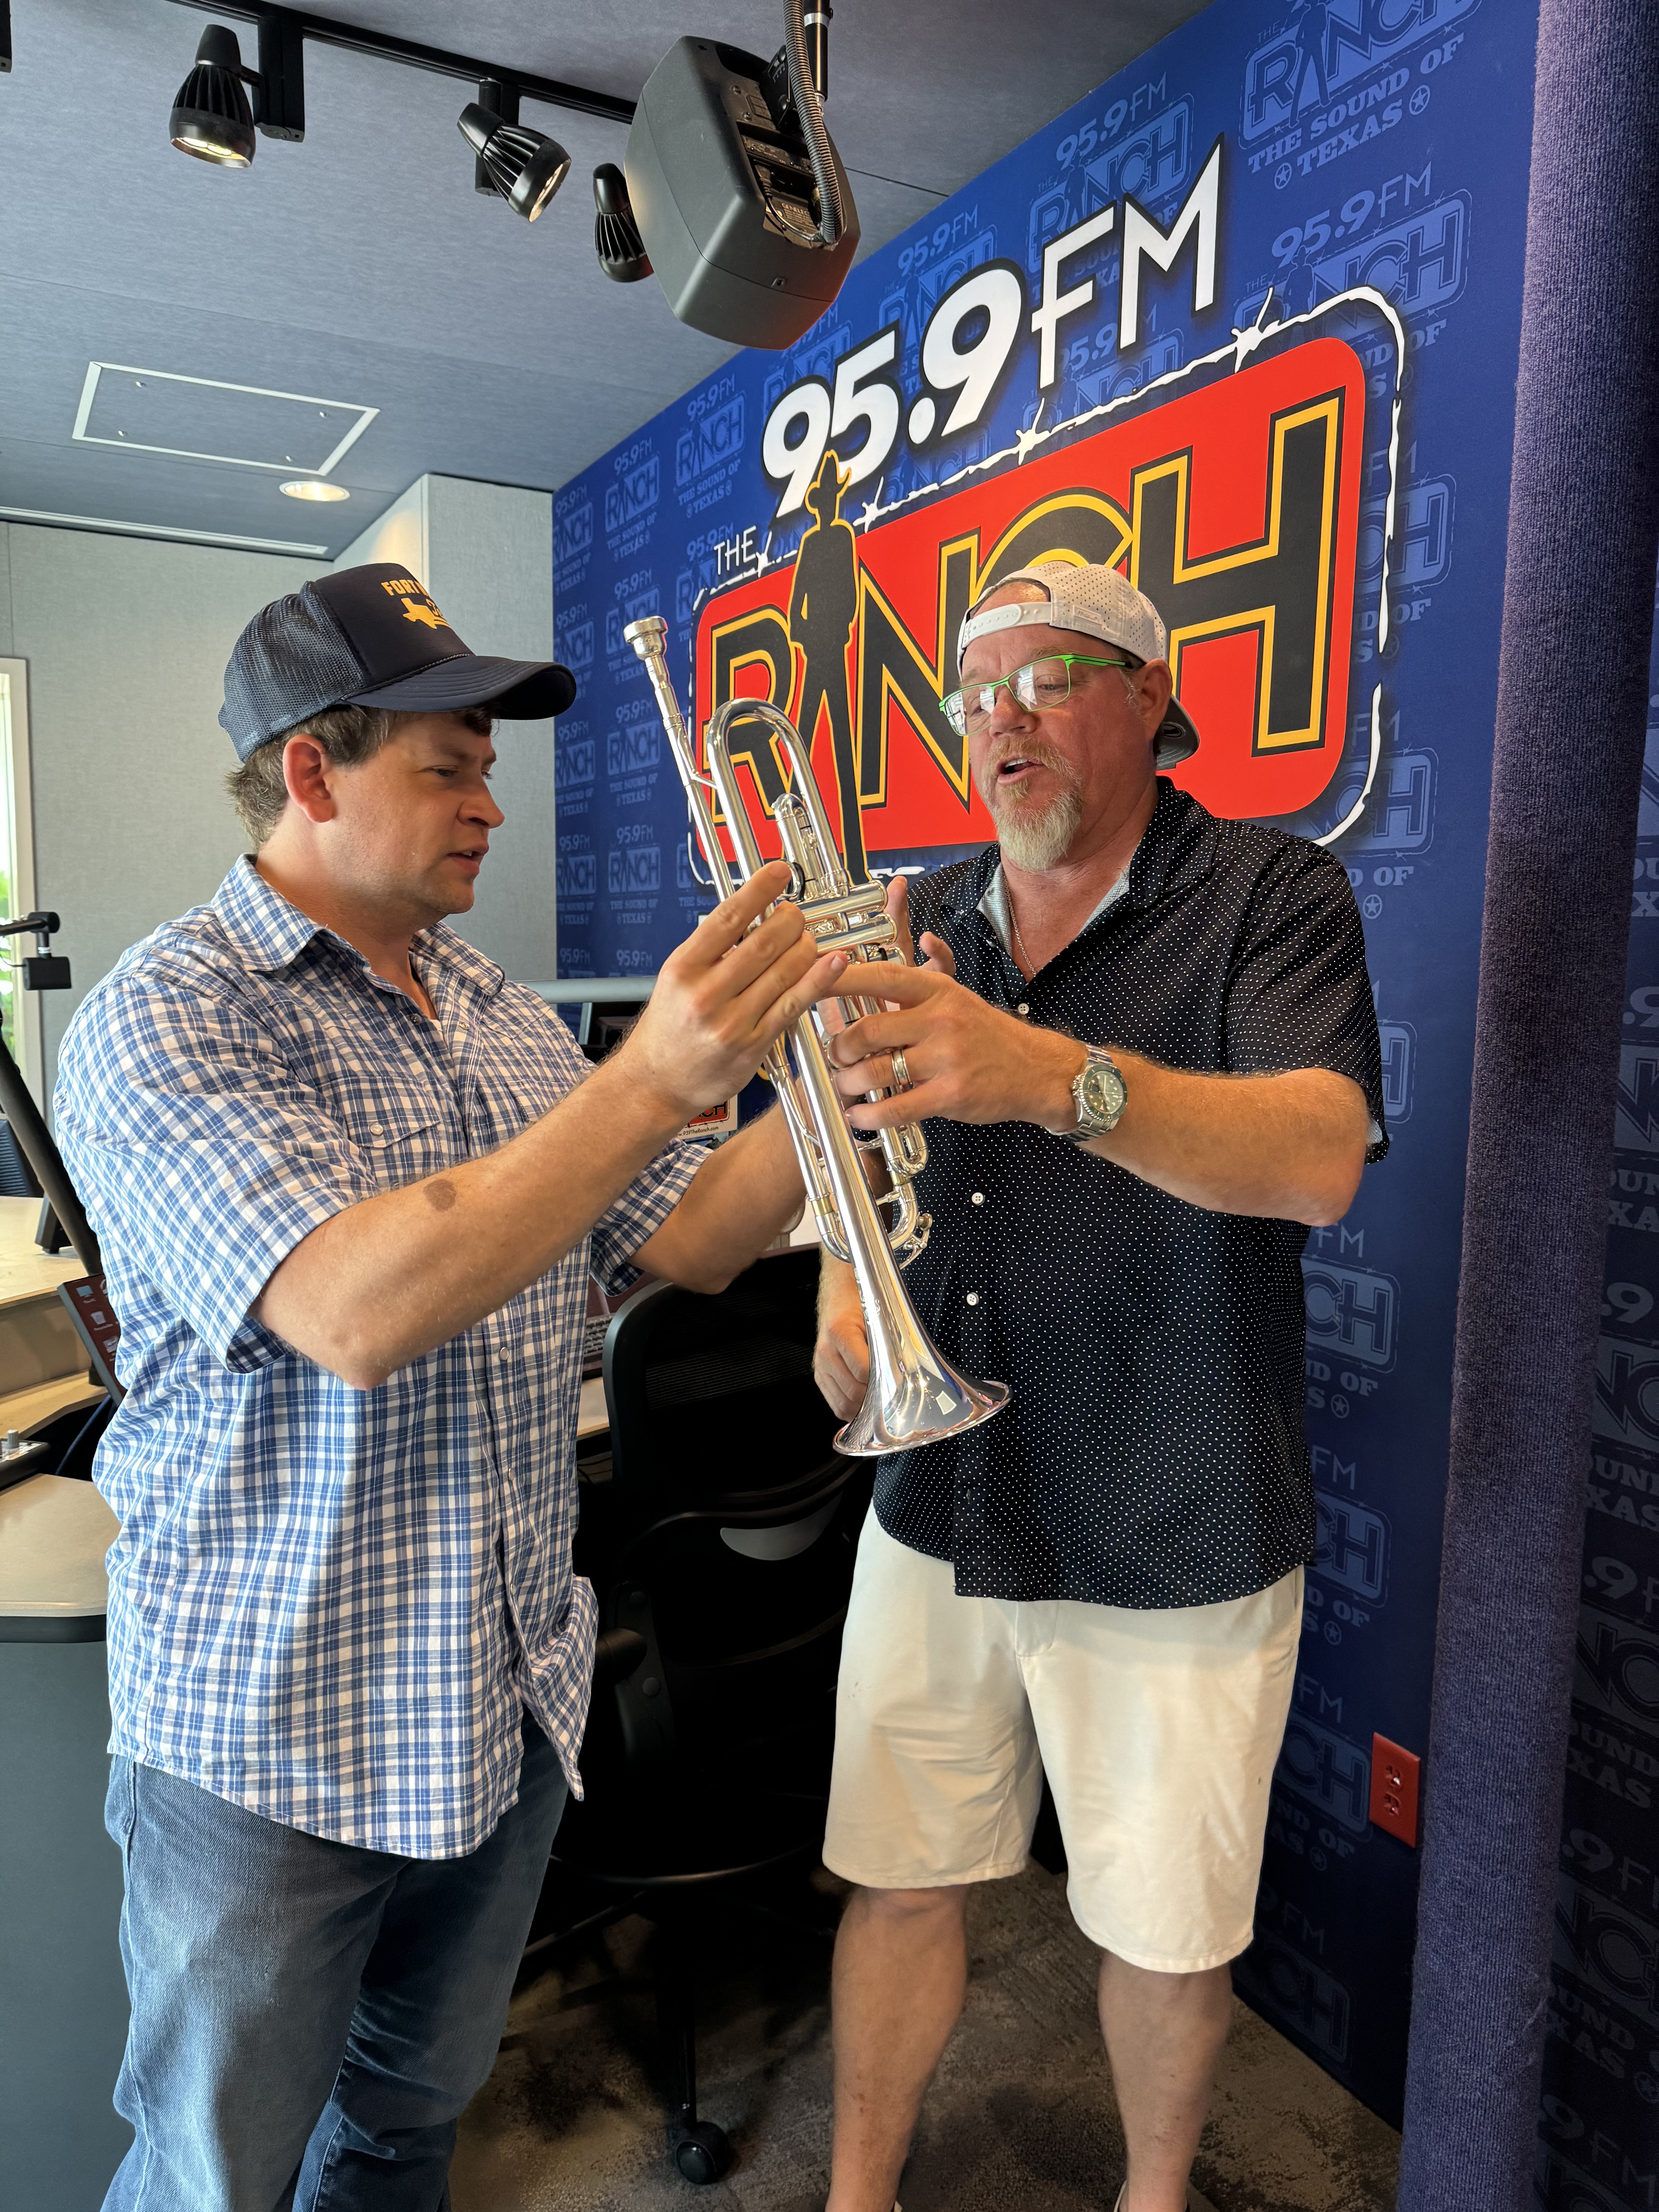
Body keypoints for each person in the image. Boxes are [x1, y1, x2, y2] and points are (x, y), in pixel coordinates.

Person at [54, 562, 844, 2212]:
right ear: (312, 773)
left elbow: (690, 1235)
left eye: (489, 766)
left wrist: (829, 1084)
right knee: (217, 2179)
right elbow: (353, 1304)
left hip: (495, 1707)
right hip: (267, 1743)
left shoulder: (493, 1013)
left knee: (406, 2133)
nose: (490, 802)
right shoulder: (166, 1017)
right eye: (448, 765)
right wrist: (650, 1079)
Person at [811, 561, 1386, 2212]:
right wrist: (848, 1281)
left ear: (1151, 696)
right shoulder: (916, 915)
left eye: (1048, 677)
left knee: (1161, 1921)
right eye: (975, 693)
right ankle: (855, 2195)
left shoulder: (1270, 894)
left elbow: (1321, 1158)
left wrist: (1057, 1080)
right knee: (900, 1878)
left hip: (1172, 1491)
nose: (1001, 719)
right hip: (940, 1495)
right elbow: (839, 1147)